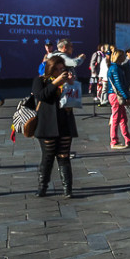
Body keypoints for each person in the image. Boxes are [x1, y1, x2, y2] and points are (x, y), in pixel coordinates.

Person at [32, 55, 80, 197]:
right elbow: (41, 96)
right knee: (48, 156)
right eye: (56, 69)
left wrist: (71, 84)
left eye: (62, 69)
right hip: (47, 124)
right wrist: (56, 83)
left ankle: (68, 189)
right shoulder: (40, 81)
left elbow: (75, 100)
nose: (60, 72)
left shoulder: (66, 82)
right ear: (50, 69)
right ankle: (43, 187)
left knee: (64, 156)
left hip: (64, 123)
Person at [106, 49, 130, 150]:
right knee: (116, 118)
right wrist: (126, 96)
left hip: (115, 95)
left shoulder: (116, 67)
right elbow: (119, 85)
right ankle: (114, 141)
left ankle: (128, 139)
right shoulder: (115, 68)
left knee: (123, 118)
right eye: (123, 55)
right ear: (120, 57)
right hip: (116, 96)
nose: (125, 57)